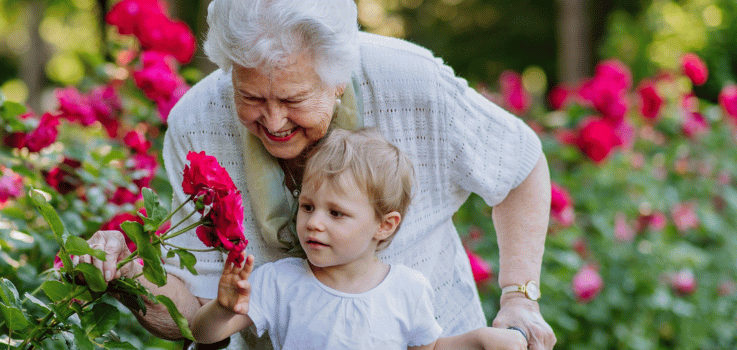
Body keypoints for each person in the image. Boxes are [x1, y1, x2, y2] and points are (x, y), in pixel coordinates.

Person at [72, 0, 556, 349]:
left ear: (338, 78)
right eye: (251, 97)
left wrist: (519, 297)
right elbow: (198, 313)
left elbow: (519, 165)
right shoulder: (197, 122)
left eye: (294, 99)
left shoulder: (410, 81)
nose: (274, 121)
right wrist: (129, 273)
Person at [190, 129, 528, 350]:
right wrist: (222, 309)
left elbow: (431, 348)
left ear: (384, 225)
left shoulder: (407, 289)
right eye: (307, 207)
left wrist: (481, 340)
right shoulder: (280, 281)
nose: (314, 223)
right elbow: (204, 334)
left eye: (336, 213)